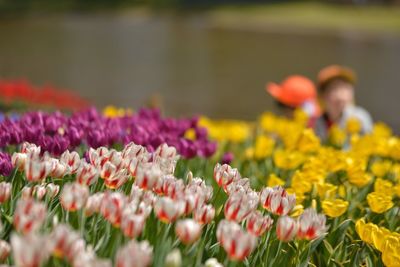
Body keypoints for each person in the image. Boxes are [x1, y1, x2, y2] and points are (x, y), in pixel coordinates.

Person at [314, 65, 373, 141]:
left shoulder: (360, 119)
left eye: (345, 88)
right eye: (334, 89)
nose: (341, 96)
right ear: (323, 96)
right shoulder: (319, 123)